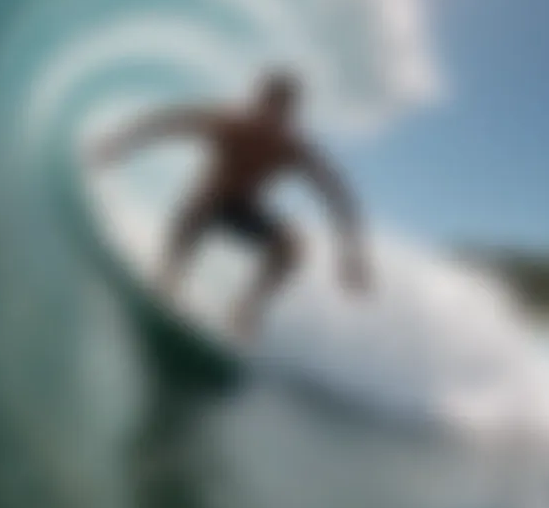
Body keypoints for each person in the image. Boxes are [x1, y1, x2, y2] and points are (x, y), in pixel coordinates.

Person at [88, 71, 369, 342]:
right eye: (269, 105)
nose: (272, 118)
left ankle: (245, 309)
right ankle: (167, 282)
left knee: (291, 247)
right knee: (199, 212)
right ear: (259, 101)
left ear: (290, 115)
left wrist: (351, 255)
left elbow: (337, 195)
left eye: (283, 112)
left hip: (241, 210)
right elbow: (170, 123)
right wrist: (118, 145)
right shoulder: (229, 124)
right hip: (204, 203)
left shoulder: (291, 149)